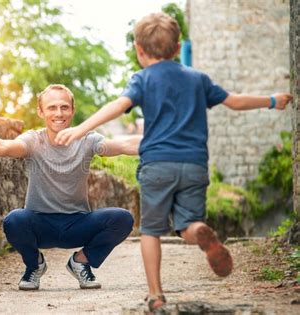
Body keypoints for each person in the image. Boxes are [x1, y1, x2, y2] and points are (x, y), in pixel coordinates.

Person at [54, 13, 293, 311]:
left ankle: (155, 293)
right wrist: (271, 100)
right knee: (188, 223)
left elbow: (118, 106)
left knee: (152, 231)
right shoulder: (198, 78)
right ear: (178, 47)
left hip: (157, 165)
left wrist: (80, 129)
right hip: (194, 165)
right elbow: (234, 101)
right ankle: (198, 233)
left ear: (139, 49)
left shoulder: (142, 79)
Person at [0, 84, 140, 291]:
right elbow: (4, 146)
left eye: (64, 107)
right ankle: (34, 266)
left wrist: (161, 142)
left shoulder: (87, 140)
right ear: (41, 111)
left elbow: (123, 145)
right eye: (52, 107)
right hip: (40, 224)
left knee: (122, 218)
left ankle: (81, 262)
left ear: (72, 110)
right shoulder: (34, 140)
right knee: (14, 220)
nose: (59, 113)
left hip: (77, 224)